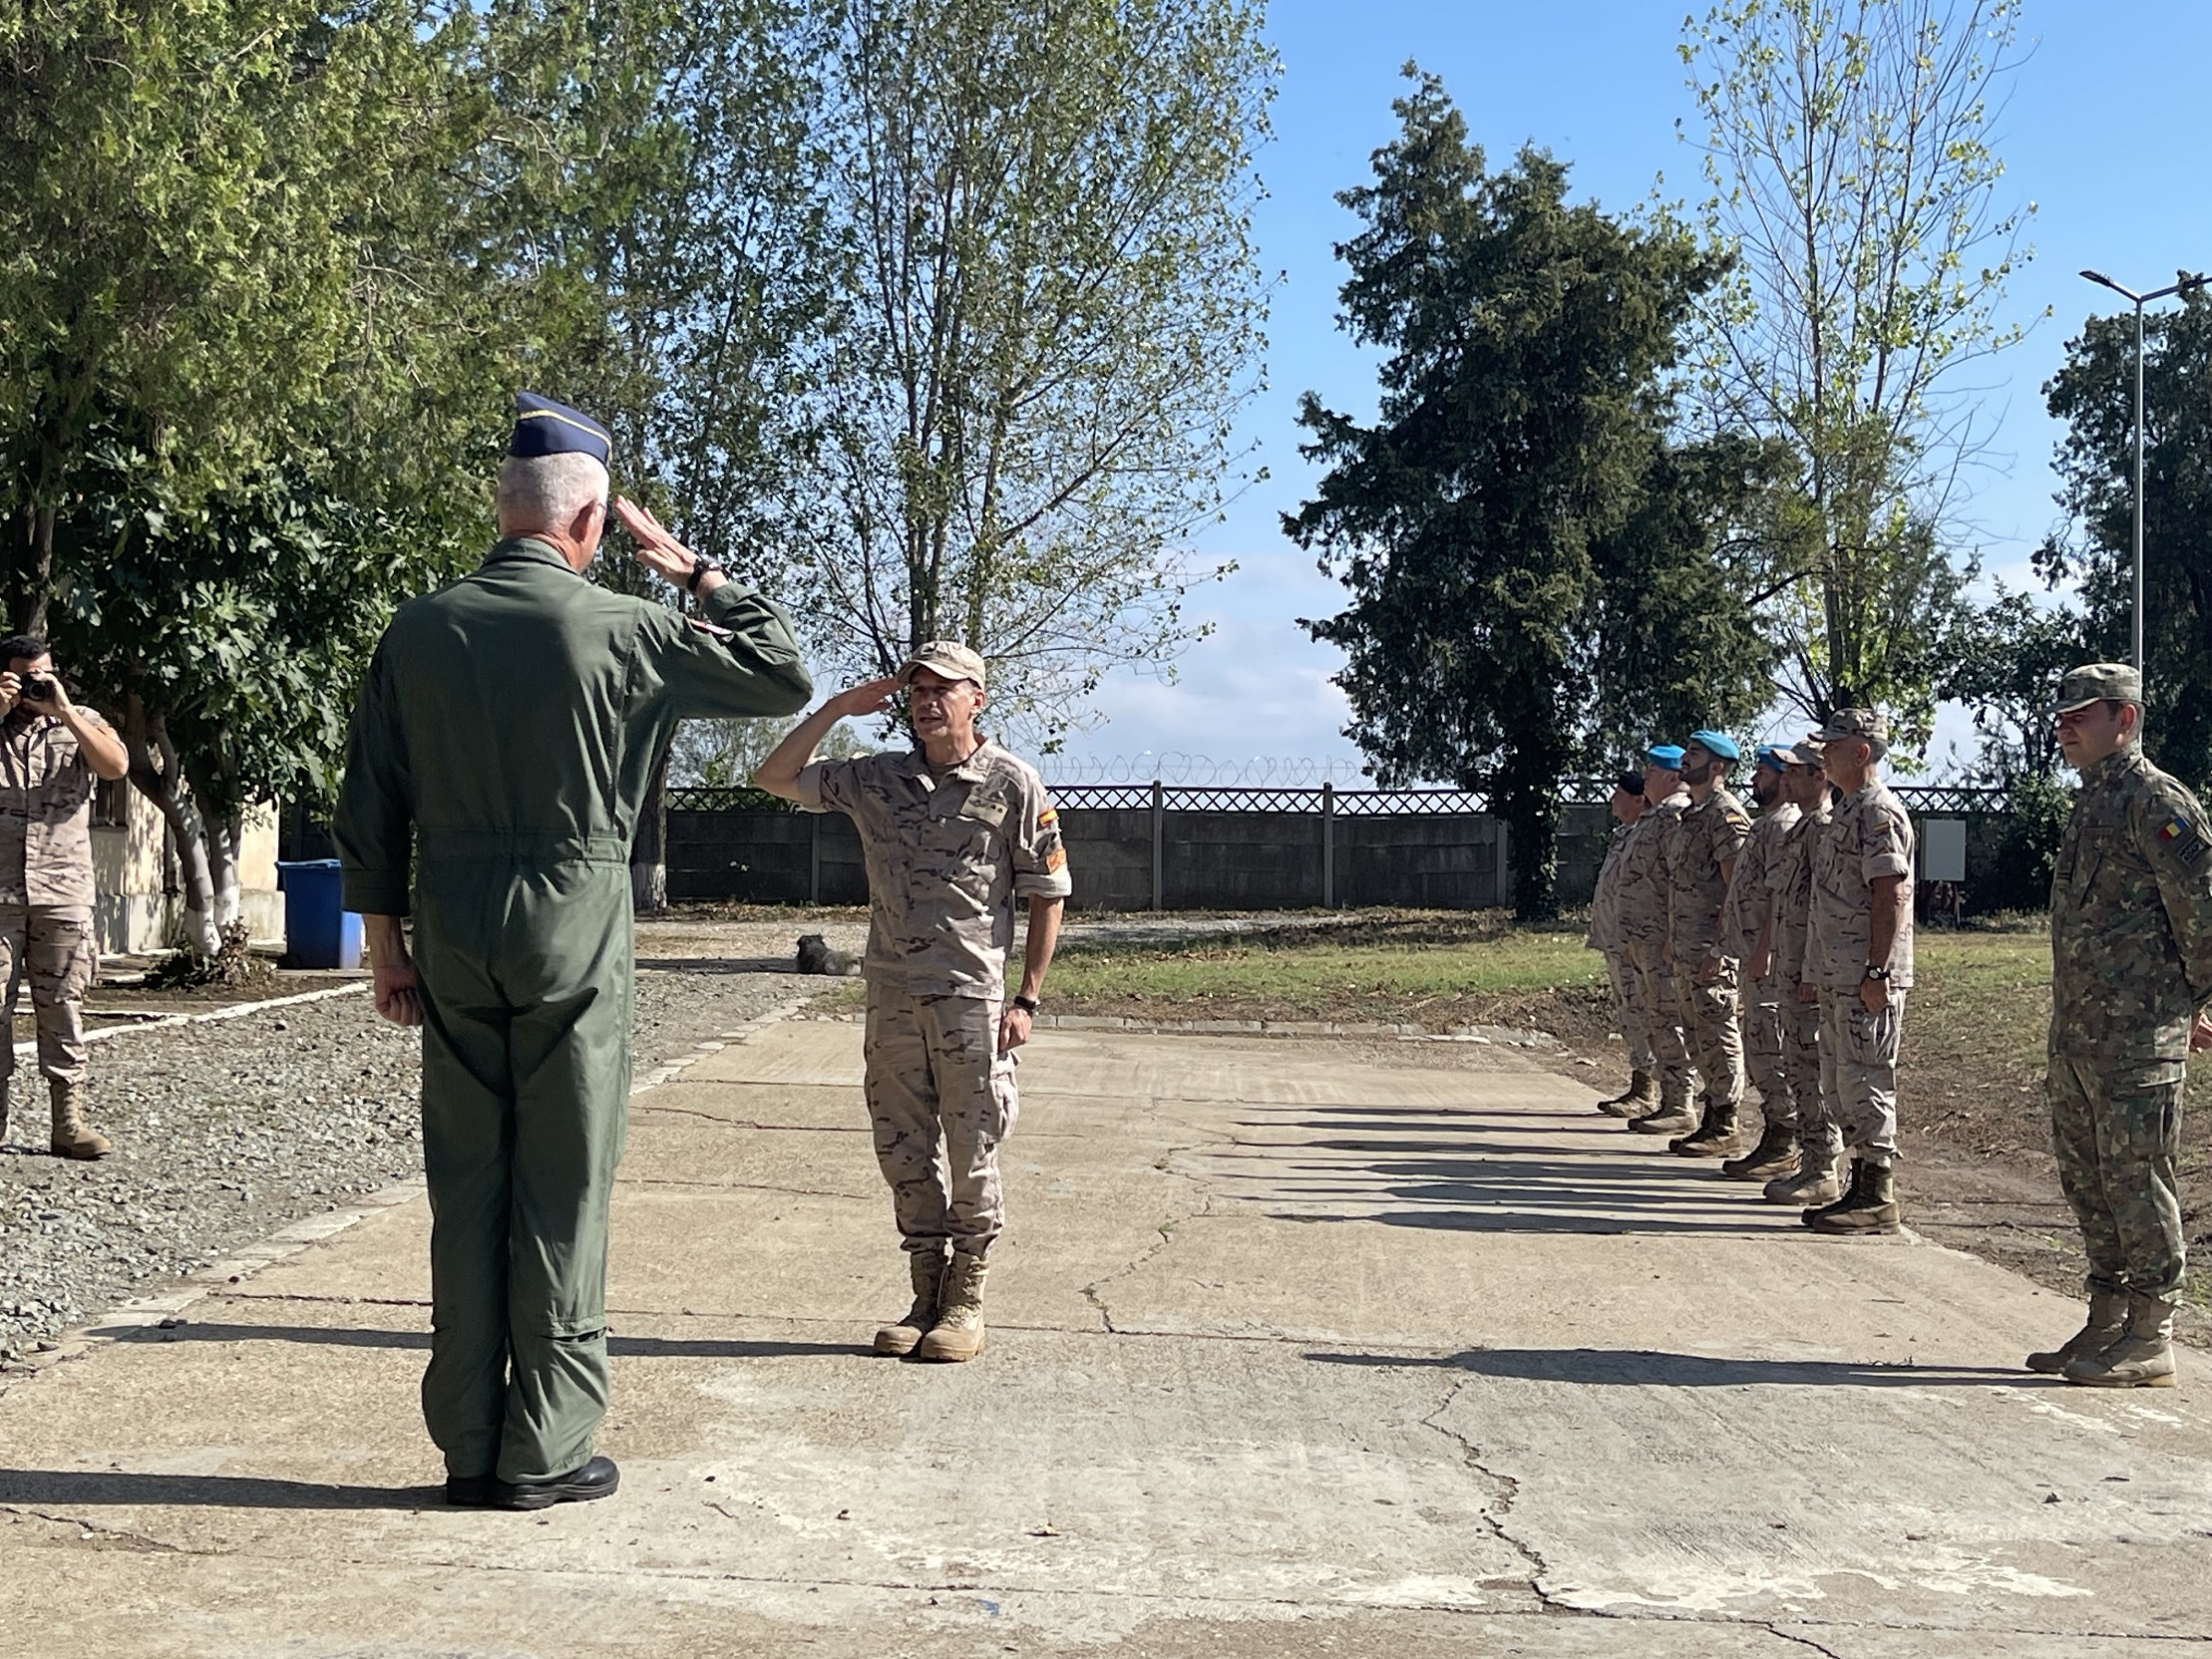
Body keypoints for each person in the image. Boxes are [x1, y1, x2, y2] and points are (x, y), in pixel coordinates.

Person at [334, 392, 813, 1509]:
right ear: (592, 520)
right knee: (564, 1185)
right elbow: (780, 671)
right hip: (575, 921)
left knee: (469, 1186)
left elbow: (372, 798)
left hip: (449, 921)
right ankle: (542, 1448)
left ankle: (465, 1441)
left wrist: (385, 942)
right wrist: (692, 571)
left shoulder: (419, 626)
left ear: (505, 508)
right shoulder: (629, 629)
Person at [755, 643, 1071, 1364]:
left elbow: (1049, 894)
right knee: (902, 1147)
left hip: (971, 999)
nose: (927, 701)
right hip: (893, 995)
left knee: (972, 1146)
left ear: (976, 699)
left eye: (944, 689)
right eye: (917, 689)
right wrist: (836, 709)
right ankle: (923, 1292)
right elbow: (772, 777)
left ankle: (966, 1298)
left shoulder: (1012, 782)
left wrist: (1028, 997)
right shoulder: (875, 779)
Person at [2028, 663, 2212, 1388]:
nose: (2065, 727)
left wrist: (2198, 1003)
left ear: (2125, 720)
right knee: (2088, 1179)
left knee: (2138, 1179)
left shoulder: (2156, 801)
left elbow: (2203, 914)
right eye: (2063, 715)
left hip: (2138, 1037)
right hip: (2080, 1032)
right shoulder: (2089, 802)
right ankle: (2106, 1319)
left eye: (2083, 715)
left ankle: (2151, 1332)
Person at [0, 635, 130, 1159]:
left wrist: (67, 712)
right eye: (25, 674)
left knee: (63, 1006)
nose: (37, 683)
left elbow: (116, 766)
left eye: (45, 672)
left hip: (62, 892)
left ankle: (68, 1121)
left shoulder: (81, 721)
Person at [1796, 709, 1914, 1235]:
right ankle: (1859, 1186)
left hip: (1864, 975)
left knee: (1866, 1078)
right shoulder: (1848, 812)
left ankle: (1877, 1193)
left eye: (1832, 745)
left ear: (1861, 751)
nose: (1823, 754)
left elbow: (1889, 892)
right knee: (1841, 1080)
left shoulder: (1878, 812)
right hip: (1837, 972)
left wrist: (1876, 969)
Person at [1663, 731, 1752, 1158]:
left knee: (1718, 1031)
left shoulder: (1724, 815)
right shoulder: (1692, 816)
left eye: (1695, 753)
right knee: (1697, 1034)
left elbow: (1736, 888)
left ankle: (1726, 1121)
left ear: (1718, 766)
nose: (1685, 758)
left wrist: (1721, 948)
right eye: (1687, 751)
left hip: (1710, 950)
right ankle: (1711, 1114)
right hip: (1686, 948)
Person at [1716, 747, 1803, 1181]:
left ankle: (1785, 1141)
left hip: (1767, 960)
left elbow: (1776, 898)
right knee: (1760, 1046)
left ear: (1784, 779)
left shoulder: (1784, 825)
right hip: (1751, 955)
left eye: (1763, 773)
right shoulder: (1766, 825)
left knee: (1771, 1046)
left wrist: (1764, 950)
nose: (1755, 780)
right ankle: (1774, 1135)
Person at [1756, 745, 1836, 1204]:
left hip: (1808, 970)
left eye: (1796, 771)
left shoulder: (1822, 829)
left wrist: (1811, 965)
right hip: (1790, 966)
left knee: (1810, 1065)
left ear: (1820, 776)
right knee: (1798, 1063)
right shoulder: (1803, 827)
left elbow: (1823, 905)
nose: (1785, 778)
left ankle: (1821, 1166)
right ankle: (1810, 1161)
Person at [1618, 746, 1698, 1136]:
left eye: (1651, 771)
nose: (1644, 777)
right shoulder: (1654, 816)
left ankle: (1682, 1101)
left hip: (1661, 941)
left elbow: (1677, 879)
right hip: (1641, 941)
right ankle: (1668, 1098)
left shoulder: (1676, 816)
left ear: (1671, 777)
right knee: (1654, 1019)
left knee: (1670, 1020)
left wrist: (1671, 932)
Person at [1587, 769, 1659, 1117]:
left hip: (1636, 942)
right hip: (1616, 941)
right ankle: (1640, 1082)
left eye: (1618, 793)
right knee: (1628, 1013)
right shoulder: (1624, 834)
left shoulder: (1648, 834)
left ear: (1638, 800)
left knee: (1643, 1012)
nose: (1612, 799)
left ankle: (1650, 1089)